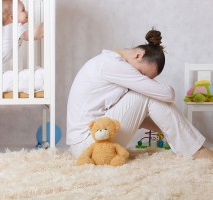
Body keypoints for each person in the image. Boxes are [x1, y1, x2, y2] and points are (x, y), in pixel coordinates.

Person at [66, 28, 213, 161]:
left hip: (92, 141)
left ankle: (192, 147)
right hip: (87, 145)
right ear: (138, 55)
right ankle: (196, 150)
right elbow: (168, 94)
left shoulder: (109, 62)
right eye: (142, 74)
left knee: (147, 95)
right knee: (147, 95)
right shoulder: (113, 65)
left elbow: (138, 116)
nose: (141, 80)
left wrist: (170, 130)